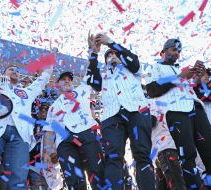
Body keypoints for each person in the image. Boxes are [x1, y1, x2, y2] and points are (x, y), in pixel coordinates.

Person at [87, 32, 155, 190]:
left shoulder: (133, 70)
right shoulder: (103, 75)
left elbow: (134, 61)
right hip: (111, 116)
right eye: (108, 55)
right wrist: (93, 53)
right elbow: (93, 82)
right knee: (113, 157)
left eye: (114, 53)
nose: (111, 55)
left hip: (137, 111)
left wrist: (110, 42)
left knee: (142, 155)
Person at [0, 64, 53, 190]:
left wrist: (50, 61)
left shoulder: (26, 92)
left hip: (20, 135)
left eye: (17, 70)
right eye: (11, 69)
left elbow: (44, 78)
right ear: (3, 73)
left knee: (18, 178)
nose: (15, 71)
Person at [143, 38, 211, 189]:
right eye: (174, 50)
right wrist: (180, 77)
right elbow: (152, 90)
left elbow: (193, 88)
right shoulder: (154, 68)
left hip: (195, 107)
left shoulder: (180, 68)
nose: (177, 54)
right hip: (176, 111)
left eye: (179, 51)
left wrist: (197, 76)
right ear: (163, 52)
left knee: (208, 150)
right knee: (188, 155)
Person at [42, 71, 105, 190]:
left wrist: (93, 54)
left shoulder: (82, 90)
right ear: (57, 84)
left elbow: (91, 71)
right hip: (65, 142)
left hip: (87, 135)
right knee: (74, 180)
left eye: (69, 79)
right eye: (63, 79)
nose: (67, 81)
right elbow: (49, 131)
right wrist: (48, 152)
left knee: (97, 173)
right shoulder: (53, 107)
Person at [148, 99, 187, 190]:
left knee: (177, 185)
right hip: (161, 151)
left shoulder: (151, 102)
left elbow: (151, 121)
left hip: (166, 148)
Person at [28, 102, 50, 190]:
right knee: (37, 184)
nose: (43, 113)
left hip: (49, 162)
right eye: (41, 110)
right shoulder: (33, 122)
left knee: (50, 185)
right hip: (34, 162)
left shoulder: (55, 124)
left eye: (46, 111)